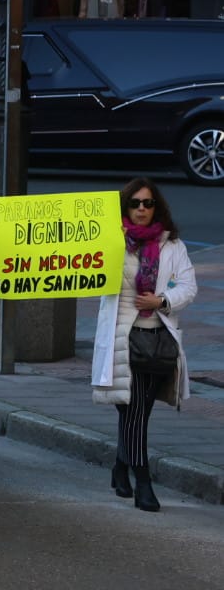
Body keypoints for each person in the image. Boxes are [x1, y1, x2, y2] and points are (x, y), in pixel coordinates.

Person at [92, 178, 197, 513]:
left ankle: (122, 469)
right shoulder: (112, 240)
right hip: (121, 338)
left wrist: (161, 299)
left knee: (137, 411)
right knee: (133, 411)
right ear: (125, 207)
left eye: (147, 204)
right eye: (135, 203)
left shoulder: (172, 245)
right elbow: (88, 277)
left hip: (155, 340)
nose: (141, 209)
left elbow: (188, 287)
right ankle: (143, 482)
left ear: (157, 208)